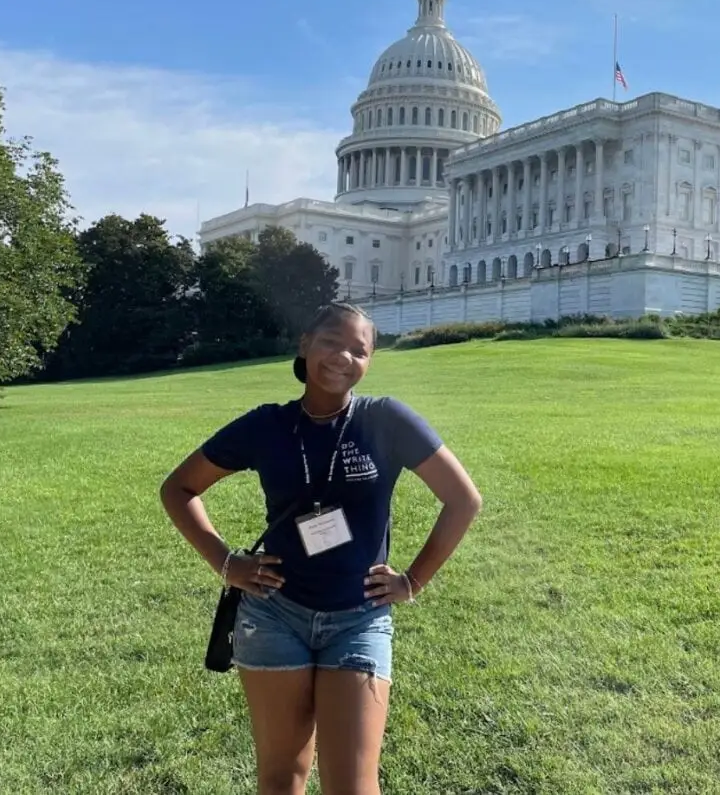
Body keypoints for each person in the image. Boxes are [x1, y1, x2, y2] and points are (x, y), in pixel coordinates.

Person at [159, 301, 482, 795]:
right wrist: (225, 562)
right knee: (282, 778)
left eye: (360, 350)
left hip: (359, 617)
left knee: (352, 785)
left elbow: (463, 500)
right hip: (273, 615)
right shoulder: (266, 425)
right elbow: (179, 489)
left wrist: (413, 581)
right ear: (305, 344)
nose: (343, 357)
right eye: (332, 342)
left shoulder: (386, 420)